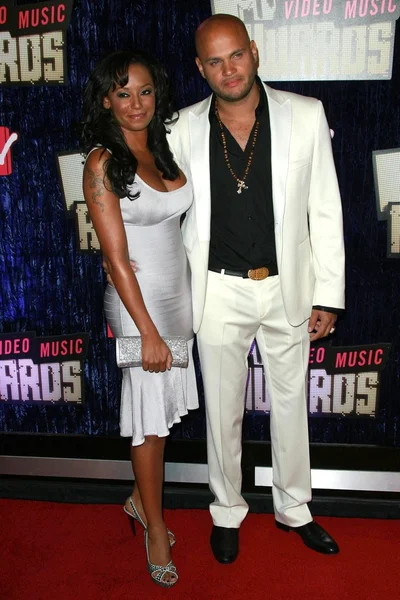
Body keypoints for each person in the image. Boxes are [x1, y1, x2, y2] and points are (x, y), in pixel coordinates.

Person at [165, 14, 345, 563]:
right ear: (200, 69)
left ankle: (295, 508)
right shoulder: (179, 127)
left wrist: (329, 294)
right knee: (222, 412)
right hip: (216, 291)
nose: (229, 69)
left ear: (255, 51)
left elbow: (327, 210)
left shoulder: (305, 115)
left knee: (291, 405)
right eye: (214, 61)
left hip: (287, 286)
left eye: (236, 55)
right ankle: (226, 510)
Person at [82, 50, 198, 587]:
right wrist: (147, 331)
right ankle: (155, 526)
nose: (135, 103)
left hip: (177, 301)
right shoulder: (102, 161)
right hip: (138, 310)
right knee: (148, 423)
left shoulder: (164, 150)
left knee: (162, 418)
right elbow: (114, 258)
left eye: (145, 91)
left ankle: (138, 498)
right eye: (123, 93)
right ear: (106, 99)